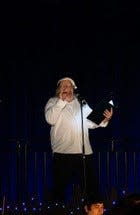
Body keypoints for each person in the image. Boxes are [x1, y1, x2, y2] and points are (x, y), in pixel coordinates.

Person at [44, 76, 114, 204]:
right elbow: (50, 119)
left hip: (84, 153)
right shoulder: (53, 102)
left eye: (70, 86)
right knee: (60, 191)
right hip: (63, 154)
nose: (67, 89)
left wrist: (104, 119)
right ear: (58, 90)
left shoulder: (81, 102)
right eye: (64, 86)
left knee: (91, 190)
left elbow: (91, 122)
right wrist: (62, 101)